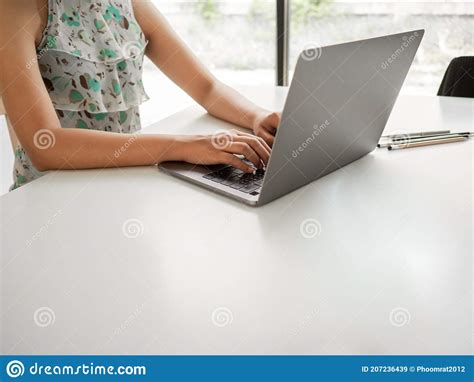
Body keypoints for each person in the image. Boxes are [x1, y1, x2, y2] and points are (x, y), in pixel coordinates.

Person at [0, 0, 280, 190]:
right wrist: (185, 146)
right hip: (48, 197)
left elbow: (207, 88)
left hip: (125, 180)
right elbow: (45, 146)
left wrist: (257, 116)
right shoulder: (14, 9)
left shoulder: (129, 4)